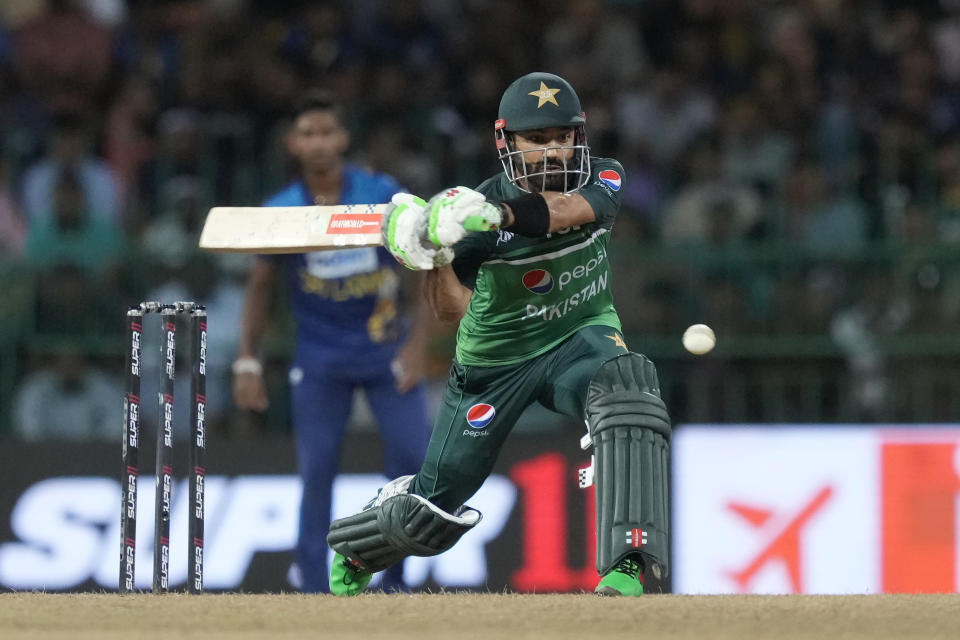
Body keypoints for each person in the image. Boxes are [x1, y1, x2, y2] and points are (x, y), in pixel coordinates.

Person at [327, 72, 671, 597]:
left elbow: (563, 213)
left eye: (562, 136)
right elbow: (450, 311)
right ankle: (363, 544)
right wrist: (435, 257)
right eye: (536, 140)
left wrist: (494, 216)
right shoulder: (473, 221)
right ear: (505, 142)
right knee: (432, 514)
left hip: (580, 337)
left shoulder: (605, 178)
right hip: (494, 365)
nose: (553, 152)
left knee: (629, 387)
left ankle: (626, 564)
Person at [233, 90, 432, 593]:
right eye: (308, 134)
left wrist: (416, 345)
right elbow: (258, 288)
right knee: (316, 466)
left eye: (326, 132)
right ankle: (314, 585)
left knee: (411, 459)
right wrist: (246, 362)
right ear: (292, 144)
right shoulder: (281, 210)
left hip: (386, 349)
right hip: (320, 357)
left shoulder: (381, 192)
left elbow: (423, 266)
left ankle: (396, 580)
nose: (319, 142)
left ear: (342, 138)